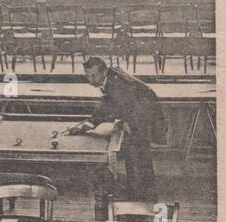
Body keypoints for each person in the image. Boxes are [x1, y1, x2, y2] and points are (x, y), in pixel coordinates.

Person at [68, 56, 166, 200]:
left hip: (146, 119)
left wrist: (87, 125)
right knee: (136, 156)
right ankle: (140, 197)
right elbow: (110, 104)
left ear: (104, 72)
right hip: (141, 116)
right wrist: (88, 124)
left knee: (136, 155)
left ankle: (141, 200)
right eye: (87, 75)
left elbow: (116, 107)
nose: (91, 79)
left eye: (94, 75)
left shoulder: (115, 84)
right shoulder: (111, 77)